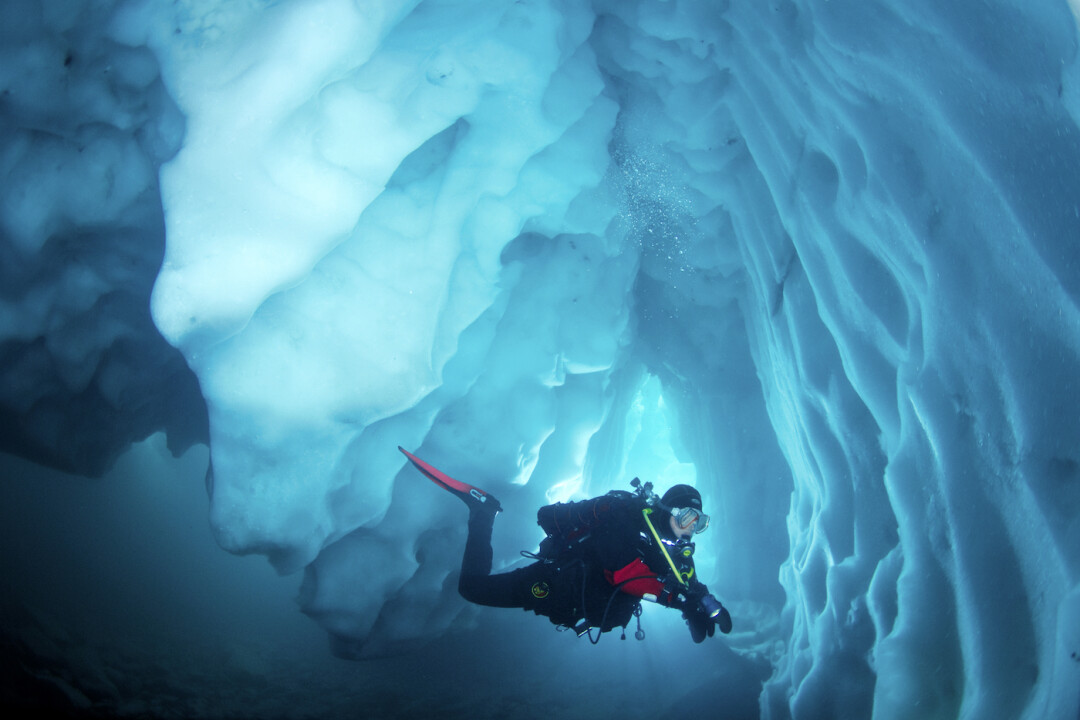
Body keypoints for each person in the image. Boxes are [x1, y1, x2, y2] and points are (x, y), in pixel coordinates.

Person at [399, 446, 733, 643]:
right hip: (553, 583)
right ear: (668, 509)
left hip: (572, 602)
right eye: (688, 516)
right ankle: (482, 510)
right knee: (472, 590)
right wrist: (681, 602)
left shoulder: (673, 551)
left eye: (699, 522)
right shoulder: (625, 520)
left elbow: (687, 581)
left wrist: (706, 604)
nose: (691, 528)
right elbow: (627, 577)